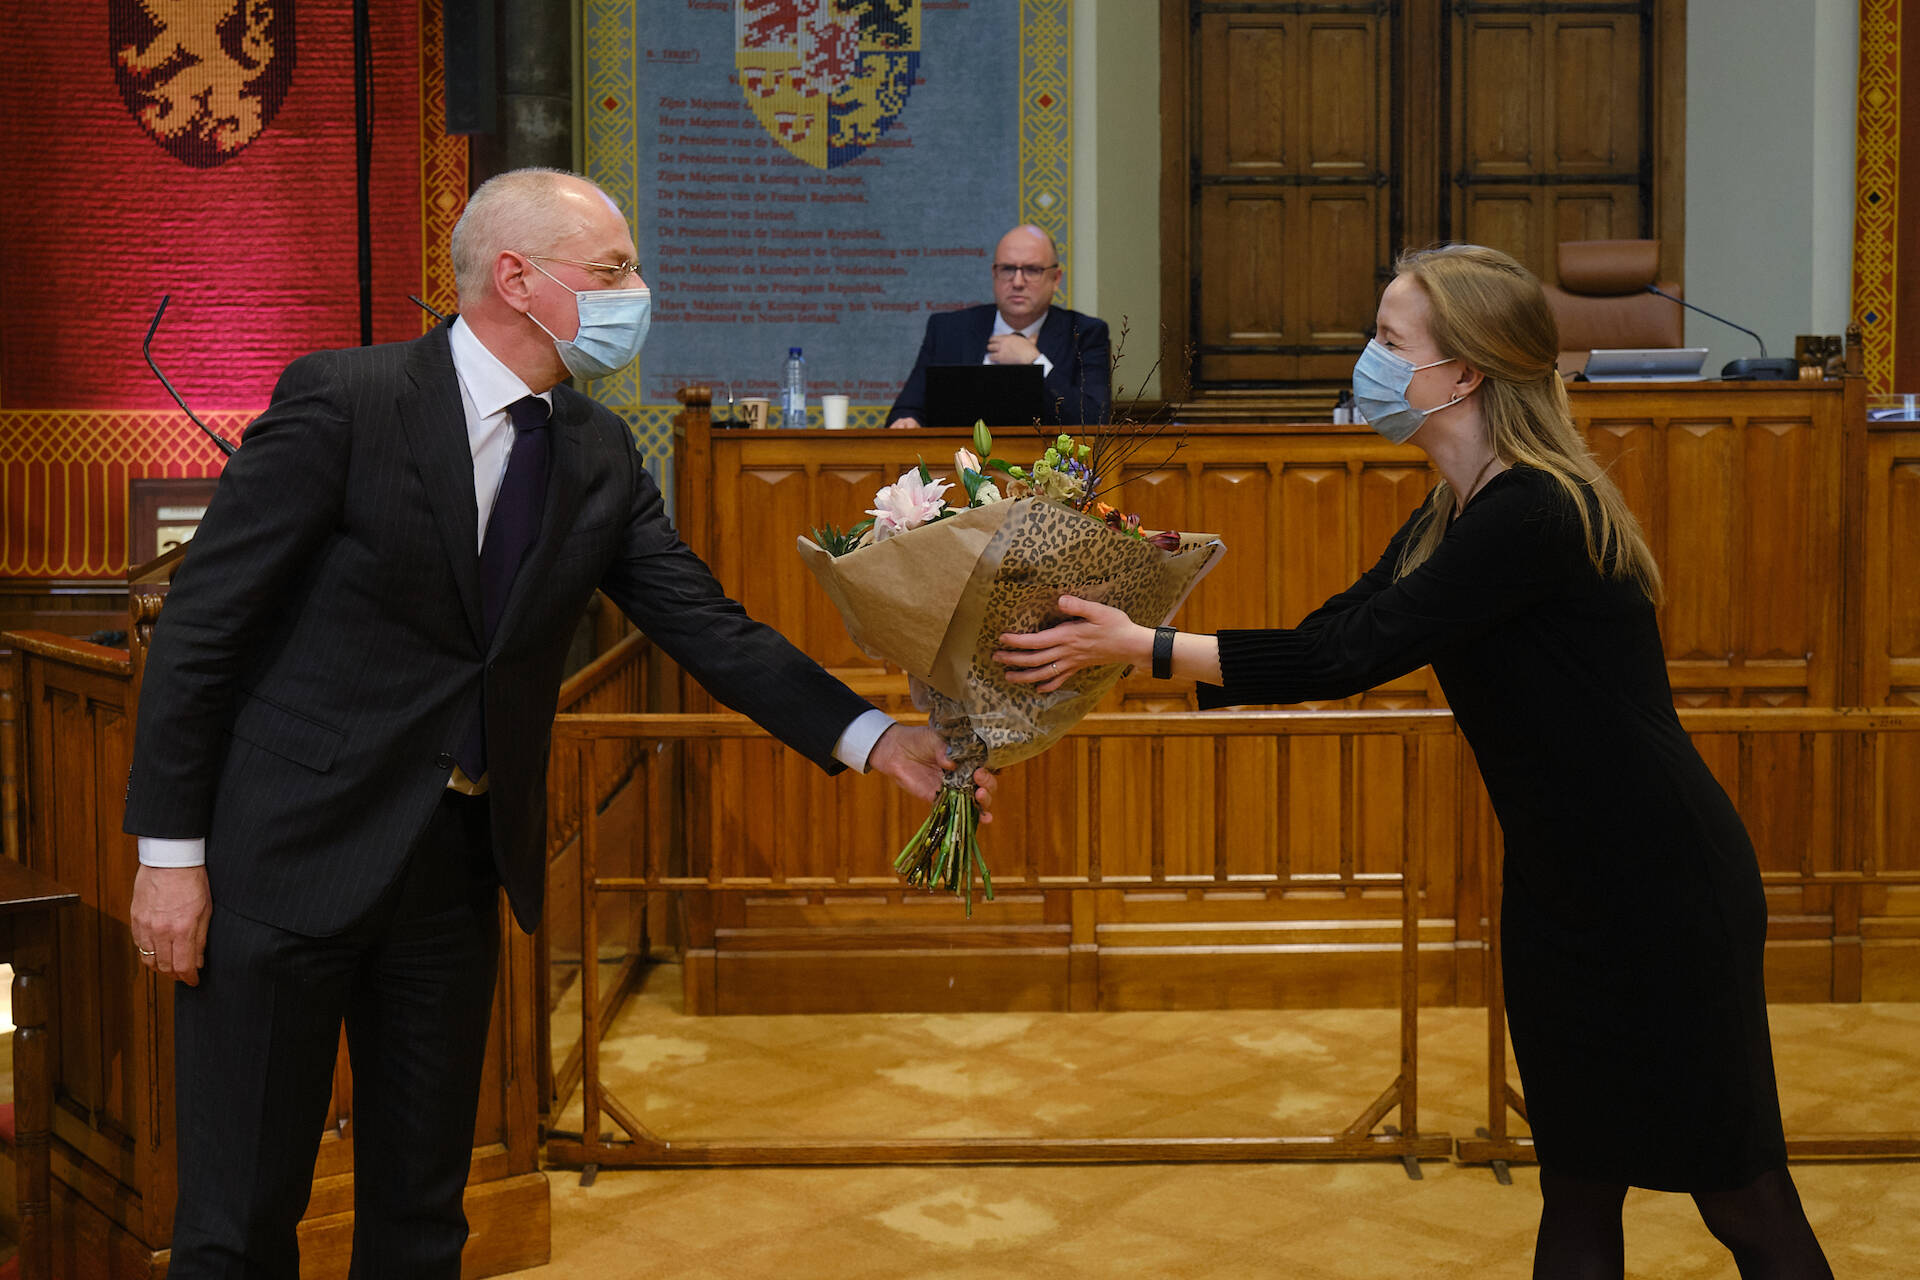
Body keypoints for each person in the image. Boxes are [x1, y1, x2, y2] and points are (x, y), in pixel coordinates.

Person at [123, 167, 994, 1278]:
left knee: (423, 1217)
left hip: (454, 871)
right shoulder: (347, 400)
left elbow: (708, 625)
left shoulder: (596, 450)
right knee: (239, 1223)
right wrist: (169, 858)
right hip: (285, 857)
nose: (639, 293)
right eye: (615, 270)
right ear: (516, 278)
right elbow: (202, 628)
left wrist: (876, 739)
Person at [996, 245, 1833, 1280]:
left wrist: (1143, 648)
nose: (1369, 359)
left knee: (1740, 1193)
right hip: (1561, 890)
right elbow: (1330, 630)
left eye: (1390, 341)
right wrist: (1140, 606)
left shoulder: (1533, 510)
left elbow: (1352, 655)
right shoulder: (1452, 507)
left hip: (1662, 891)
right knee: (1579, 1179)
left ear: (1464, 371)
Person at [885, 224, 1110, 428]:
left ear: (1056, 278)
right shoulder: (948, 330)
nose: (1018, 282)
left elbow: (1094, 420)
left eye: (1032, 270)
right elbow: (906, 409)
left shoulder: (1084, 334)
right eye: (1008, 269)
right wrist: (907, 420)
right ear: (994, 273)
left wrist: (1034, 361)